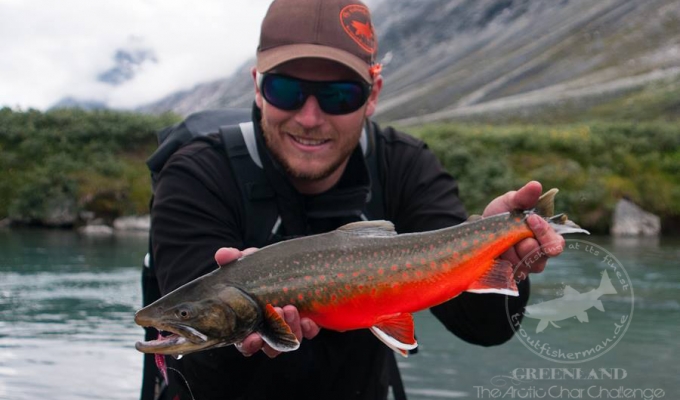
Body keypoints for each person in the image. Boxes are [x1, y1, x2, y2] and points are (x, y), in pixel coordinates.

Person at [148, 0, 565, 399]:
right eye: (285, 89)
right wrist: (247, 334)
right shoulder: (197, 174)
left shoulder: (404, 166)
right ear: (258, 88)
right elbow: (197, 375)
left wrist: (498, 250)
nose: (310, 118)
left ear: (373, 94)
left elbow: (484, 330)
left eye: (339, 95)